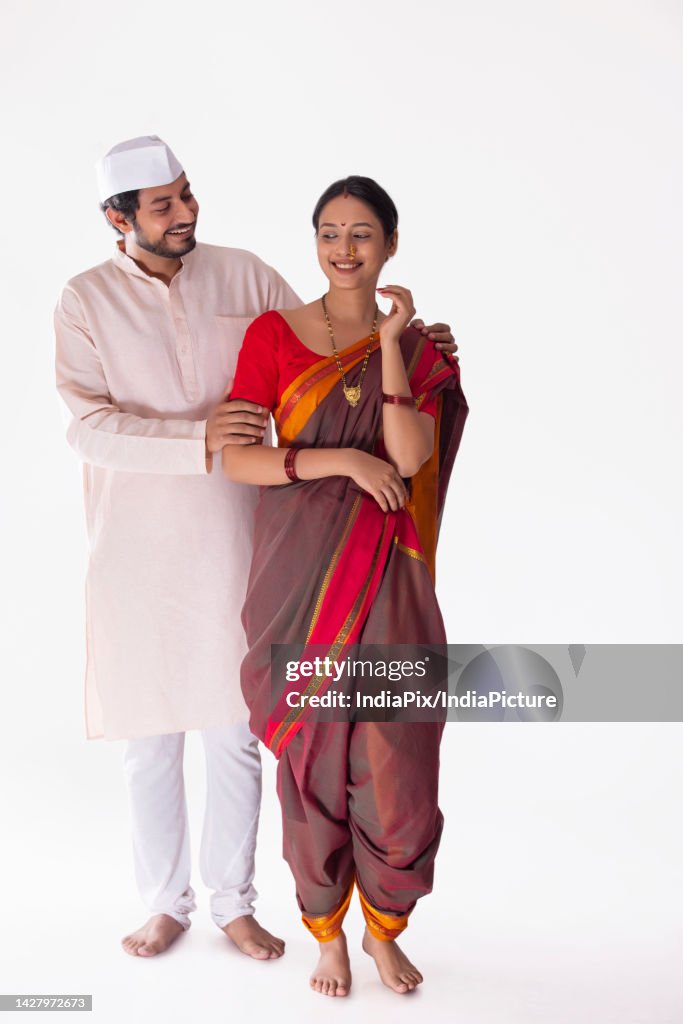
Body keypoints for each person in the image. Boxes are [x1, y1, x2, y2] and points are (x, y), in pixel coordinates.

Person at [54, 138, 459, 961]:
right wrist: (193, 438)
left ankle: (234, 903)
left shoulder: (242, 274)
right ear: (117, 217)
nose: (185, 213)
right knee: (150, 732)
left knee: (238, 726)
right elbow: (85, 426)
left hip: (248, 529)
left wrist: (409, 345)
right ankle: (165, 904)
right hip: (137, 540)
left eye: (187, 194)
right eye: (162, 204)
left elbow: (327, 331)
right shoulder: (84, 300)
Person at [222, 175, 469, 996]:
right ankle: (326, 932)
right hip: (297, 574)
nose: (343, 249)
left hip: (389, 581)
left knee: (396, 757)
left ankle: (383, 930)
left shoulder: (420, 350)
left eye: (361, 234)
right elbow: (241, 455)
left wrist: (393, 343)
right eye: (329, 232)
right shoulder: (274, 333)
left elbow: (408, 457)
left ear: (390, 244)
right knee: (313, 758)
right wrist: (339, 459)